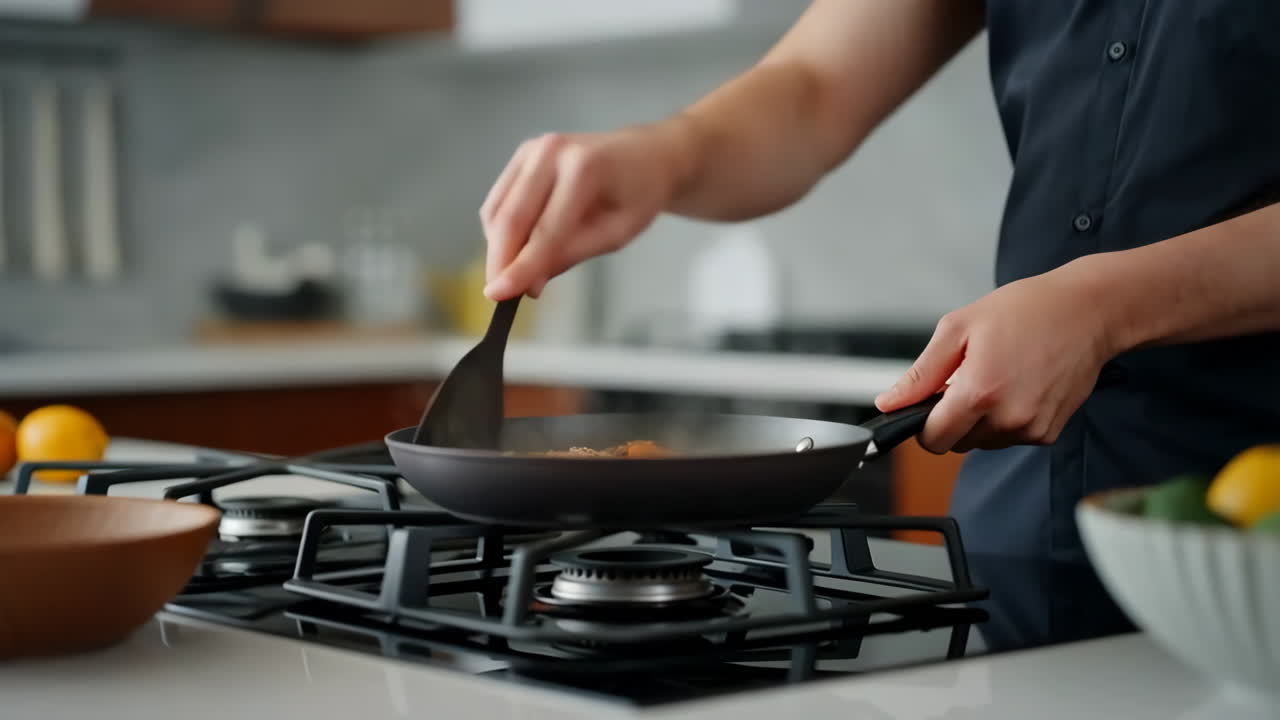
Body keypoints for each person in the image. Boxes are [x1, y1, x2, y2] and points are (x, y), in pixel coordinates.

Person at [477, 1, 1280, 560]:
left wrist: (1107, 306)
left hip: (1252, 527)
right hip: (1023, 527)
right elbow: (815, 90)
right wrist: (663, 156)